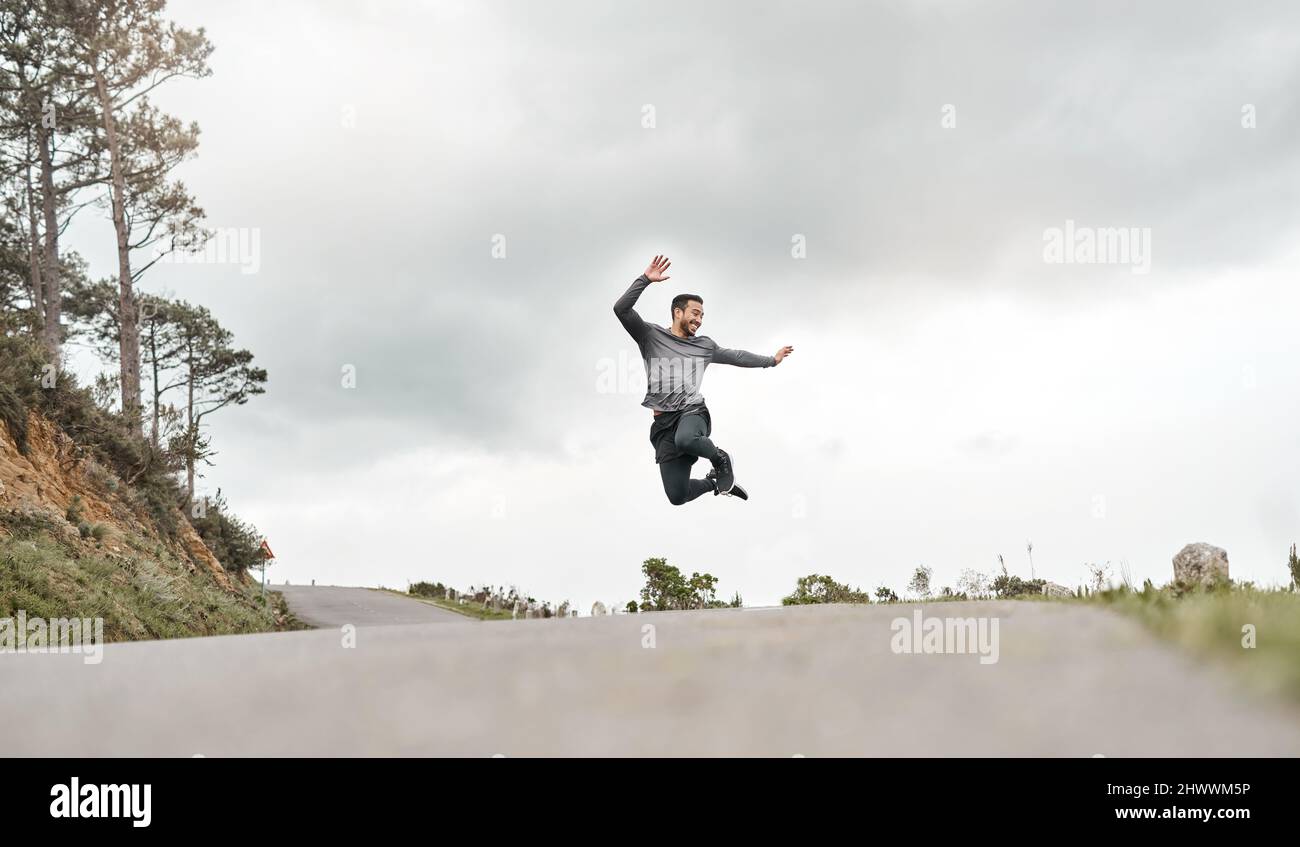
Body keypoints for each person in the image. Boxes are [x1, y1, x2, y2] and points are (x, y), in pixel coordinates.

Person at [613, 255, 793, 505]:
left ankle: (720, 459)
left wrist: (771, 360)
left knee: (685, 440)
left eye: (702, 315)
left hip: (692, 413)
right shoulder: (650, 335)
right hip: (663, 424)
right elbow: (621, 309)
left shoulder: (704, 346)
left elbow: (736, 356)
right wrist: (645, 280)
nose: (699, 320)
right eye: (695, 313)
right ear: (678, 312)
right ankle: (713, 483)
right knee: (677, 495)